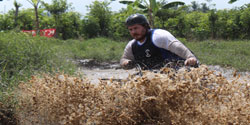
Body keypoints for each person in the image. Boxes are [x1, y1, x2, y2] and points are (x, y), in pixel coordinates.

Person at [120, 13, 198, 70]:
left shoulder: (158, 36)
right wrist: (126, 63)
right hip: (155, 77)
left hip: (179, 69)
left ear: (145, 26)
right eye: (130, 29)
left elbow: (177, 46)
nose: (133, 32)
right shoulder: (131, 45)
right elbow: (124, 59)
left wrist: (190, 57)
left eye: (136, 28)